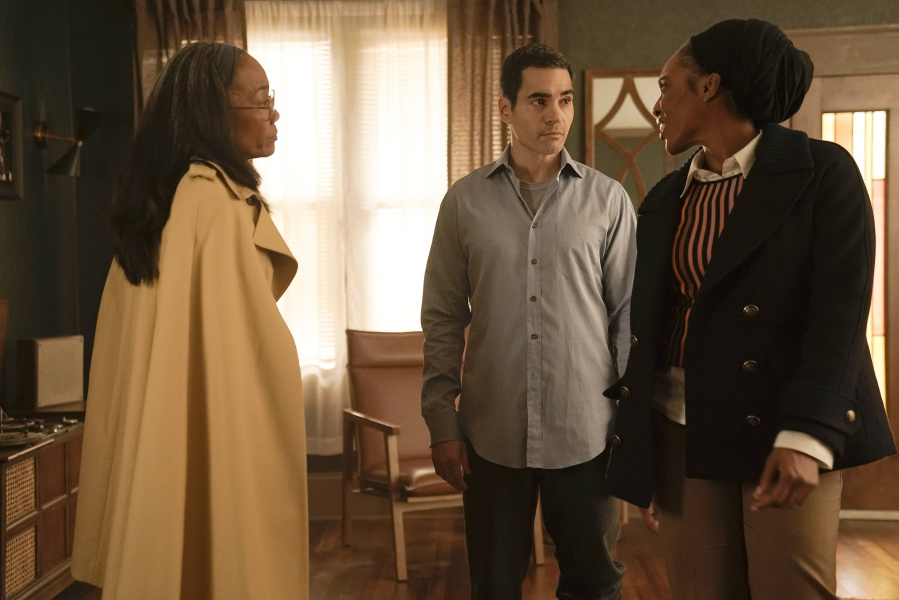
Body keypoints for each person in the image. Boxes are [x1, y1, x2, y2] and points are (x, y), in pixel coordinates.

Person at [604, 18, 897, 600]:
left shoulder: (822, 172)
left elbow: (839, 319)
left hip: (783, 426)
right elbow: (654, 331)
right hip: (683, 431)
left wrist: (807, 436)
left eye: (666, 86)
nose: (657, 105)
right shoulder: (664, 198)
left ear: (708, 86)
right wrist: (646, 454)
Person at [71, 41, 309, 600]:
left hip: (170, 425)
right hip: (221, 424)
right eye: (261, 100)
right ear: (214, 113)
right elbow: (238, 353)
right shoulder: (212, 205)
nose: (273, 113)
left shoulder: (165, 198)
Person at [421, 43, 636, 600]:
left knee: (595, 586)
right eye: (539, 100)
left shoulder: (608, 201)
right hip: (491, 434)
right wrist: (442, 422)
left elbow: (626, 317)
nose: (555, 115)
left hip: (587, 431)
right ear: (505, 108)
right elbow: (442, 318)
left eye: (565, 100)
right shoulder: (463, 203)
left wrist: (632, 424)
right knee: (494, 587)